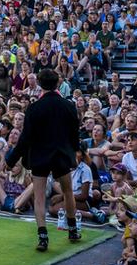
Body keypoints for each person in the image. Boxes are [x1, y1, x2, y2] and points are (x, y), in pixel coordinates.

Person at [5, 67, 82, 252]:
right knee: (68, 191)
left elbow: (25, 138)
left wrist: (11, 158)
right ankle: (72, 230)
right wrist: (76, 152)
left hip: (40, 156)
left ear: (39, 84)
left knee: (39, 197)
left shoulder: (34, 108)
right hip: (62, 154)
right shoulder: (68, 106)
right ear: (57, 84)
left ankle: (43, 237)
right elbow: (74, 134)